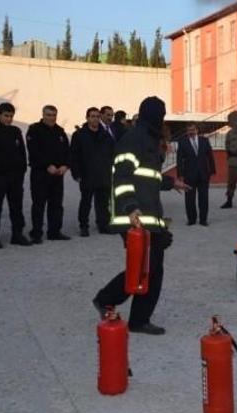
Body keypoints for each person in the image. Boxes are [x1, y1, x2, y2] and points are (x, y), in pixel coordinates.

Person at [93, 96, 190, 335]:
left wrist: (171, 182)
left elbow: (148, 176)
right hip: (134, 215)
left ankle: (135, 317)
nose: (162, 119)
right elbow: (122, 176)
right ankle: (109, 300)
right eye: (160, 114)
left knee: (149, 267)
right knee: (147, 266)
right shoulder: (133, 139)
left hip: (148, 214)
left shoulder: (148, 139)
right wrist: (129, 208)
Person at [0, 102, 31, 248]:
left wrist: (22, 170)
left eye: (11, 116)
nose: (9, 119)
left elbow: (22, 152)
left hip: (15, 177)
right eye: (6, 116)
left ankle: (17, 234)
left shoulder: (16, 131)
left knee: (16, 207)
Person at [26, 105, 71, 243]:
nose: (51, 118)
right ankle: (36, 233)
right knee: (39, 204)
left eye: (54, 115)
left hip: (58, 174)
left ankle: (54, 231)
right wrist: (47, 165)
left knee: (56, 204)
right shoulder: (34, 130)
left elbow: (67, 151)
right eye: (49, 115)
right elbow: (33, 151)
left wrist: (65, 165)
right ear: (43, 115)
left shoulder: (60, 131)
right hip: (41, 174)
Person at [71, 107, 114, 237]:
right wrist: (76, 173)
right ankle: (84, 226)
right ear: (87, 118)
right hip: (87, 174)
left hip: (103, 174)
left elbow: (111, 153)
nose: (95, 119)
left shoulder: (106, 134)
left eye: (97, 116)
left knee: (103, 202)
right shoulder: (79, 135)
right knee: (85, 202)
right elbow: (74, 155)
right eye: (92, 116)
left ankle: (103, 224)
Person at [176, 122, 216, 226]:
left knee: (204, 198)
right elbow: (179, 159)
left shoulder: (204, 141)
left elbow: (210, 156)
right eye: (189, 130)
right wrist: (180, 174)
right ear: (187, 131)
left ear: (197, 130)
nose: (191, 132)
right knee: (189, 199)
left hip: (203, 174)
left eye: (193, 130)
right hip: (189, 174)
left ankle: (203, 220)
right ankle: (191, 219)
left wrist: (212, 170)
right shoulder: (182, 142)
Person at [221, 111, 237, 209]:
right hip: (233, 161)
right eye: (235, 120)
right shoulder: (230, 133)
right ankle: (229, 201)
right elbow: (227, 145)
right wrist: (230, 154)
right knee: (231, 183)